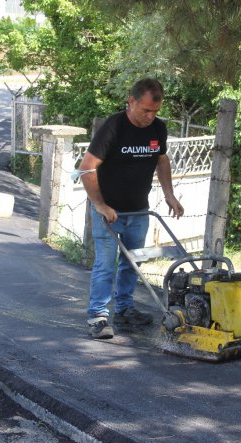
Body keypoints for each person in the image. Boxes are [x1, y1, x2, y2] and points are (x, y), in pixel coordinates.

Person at [77, 78, 185, 339]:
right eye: (145, 110)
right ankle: (98, 316)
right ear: (132, 101)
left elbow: (161, 160)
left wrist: (169, 194)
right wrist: (100, 205)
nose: (150, 116)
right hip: (109, 213)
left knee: (132, 263)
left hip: (138, 211)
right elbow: (87, 167)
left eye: (155, 111)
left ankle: (124, 310)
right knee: (105, 265)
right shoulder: (113, 127)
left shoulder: (158, 129)